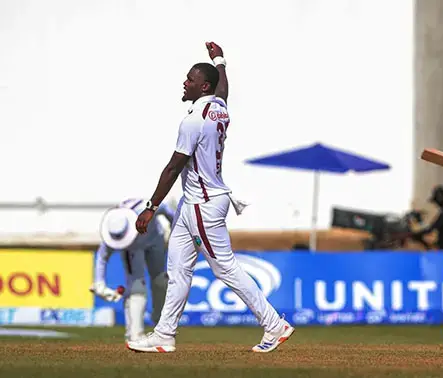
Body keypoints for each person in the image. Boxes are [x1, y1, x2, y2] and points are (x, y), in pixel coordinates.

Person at [126, 42, 294, 354]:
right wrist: (220, 61)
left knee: (225, 268)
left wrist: (151, 207)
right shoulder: (218, 106)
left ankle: (274, 324)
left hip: (204, 203)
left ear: (202, 86)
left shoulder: (193, 120)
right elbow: (223, 90)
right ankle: (164, 335)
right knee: (177, 271)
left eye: (190, 79)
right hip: (192, 204)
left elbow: (174, 166)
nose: (184, 83)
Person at [91, 197, 175, 341]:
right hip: (133, 249)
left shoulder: (145, 210)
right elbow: (102, 256)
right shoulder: (113, 230)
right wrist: (99, 283)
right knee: (137, 287)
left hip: (155, 240)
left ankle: (160, 323)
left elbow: (167, 211)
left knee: (161, 281)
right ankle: (135, 334)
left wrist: (176, 232)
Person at [410, 185, 443, 250]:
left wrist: (417, 233)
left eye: (436, 202)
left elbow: (433, 227)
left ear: (440, 199)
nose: (436, 204)